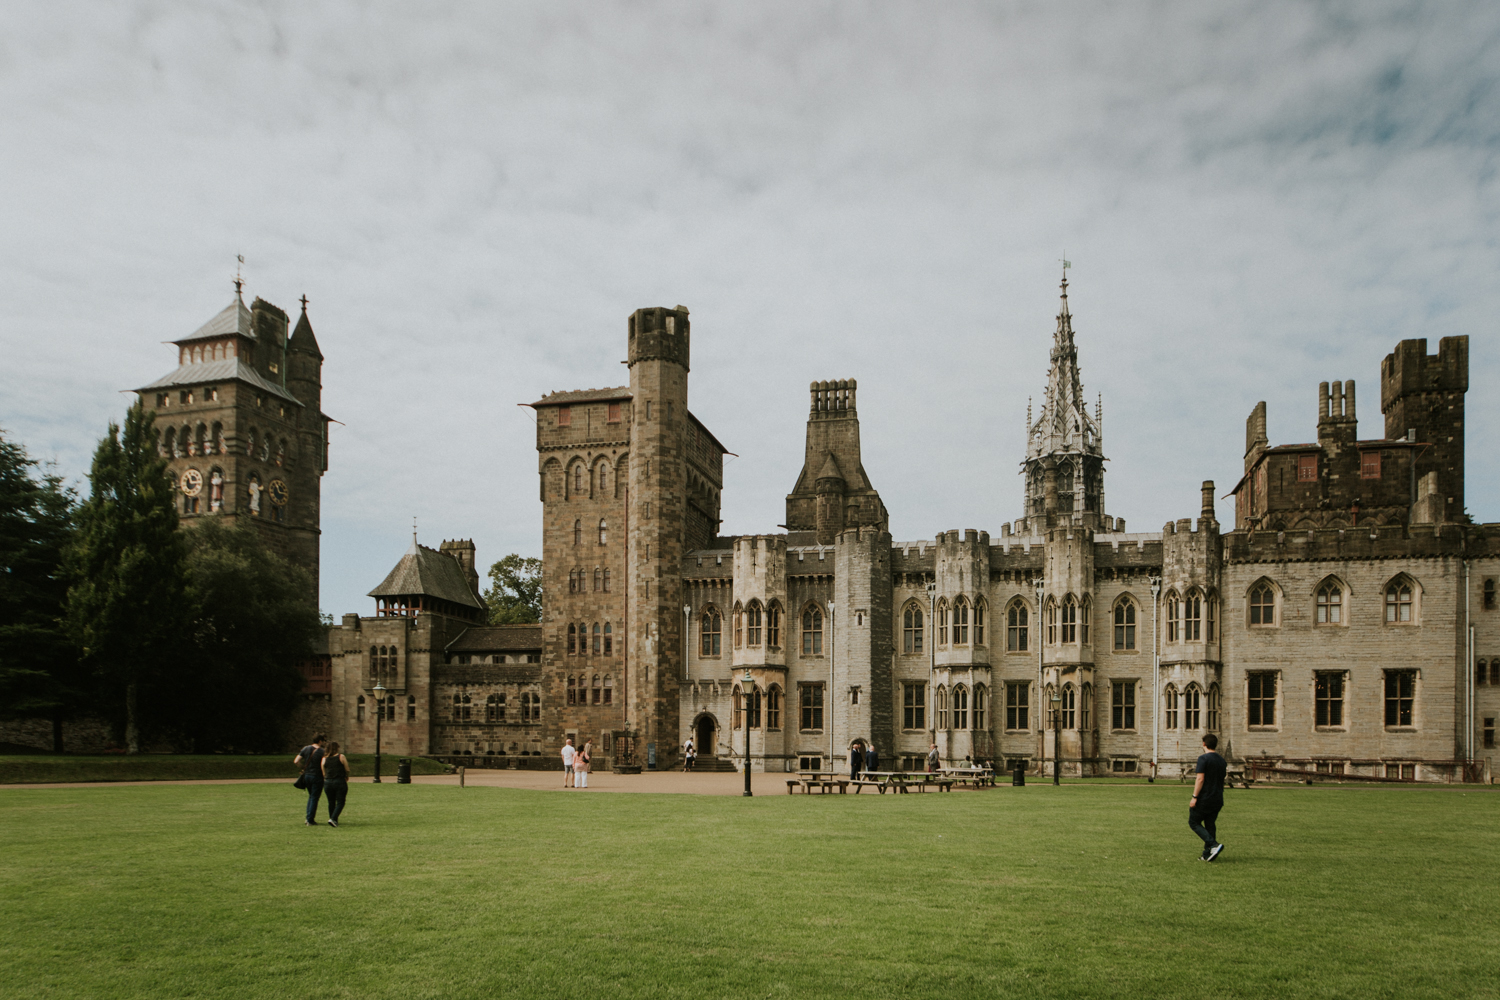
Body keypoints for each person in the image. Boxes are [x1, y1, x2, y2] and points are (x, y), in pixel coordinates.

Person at [1189, 732, 1228, 861]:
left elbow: (1200, 779)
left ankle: (1213, 844)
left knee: (1194, 822)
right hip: (1218, 797)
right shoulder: (1221, 760)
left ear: (1204, 744)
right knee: (1210, 824)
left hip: (1205, 797)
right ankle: (1207, 854)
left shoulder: (1203, 759)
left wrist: (1195, 796)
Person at [293, 734, 326, 826]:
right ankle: (310, 819)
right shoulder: (322, 751)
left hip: (307, 775)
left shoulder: (305, 749)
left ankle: (308, 817)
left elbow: (296, 761)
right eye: (323, 741)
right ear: (320, 741)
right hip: (317, 776)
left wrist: (303, 767)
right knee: (314, 797)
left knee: (311, 796)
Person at [321, 741, 350, 827]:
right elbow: (347, 769)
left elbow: (324, 773)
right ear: (336, 748)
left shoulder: (324, 759)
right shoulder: (341, 757)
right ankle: (333, 818)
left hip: (328, 782)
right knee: (341, 802)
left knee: (331, 802)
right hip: (339, 781)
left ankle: (333, 819)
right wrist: (346, 776)